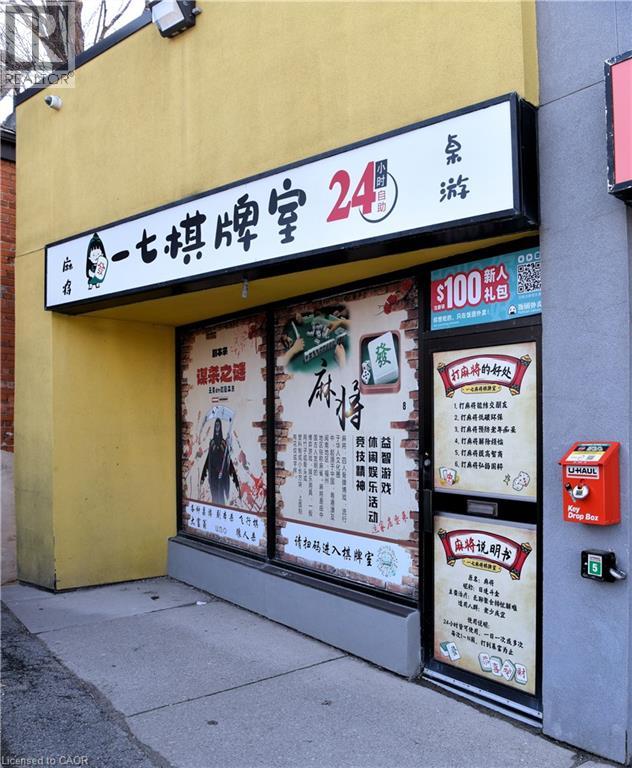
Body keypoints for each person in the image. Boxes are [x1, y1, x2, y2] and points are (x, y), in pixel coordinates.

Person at [201, 418, 239, 506]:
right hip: (213, 476)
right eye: (216, 425)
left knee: (221, 500)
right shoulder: (212, 443)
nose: (217, 427)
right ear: (214, 426)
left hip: (222, 476)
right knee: (214, 499)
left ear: (220, 426)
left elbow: (228, 461)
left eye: (218, 425)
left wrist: (235, 480)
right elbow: (208, 460)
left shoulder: (224, 443)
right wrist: (203, 476)